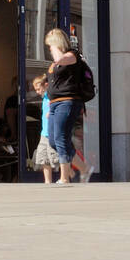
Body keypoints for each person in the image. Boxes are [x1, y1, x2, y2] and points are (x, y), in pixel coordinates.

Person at [45, 28, 87, 186]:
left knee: (62, 138)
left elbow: (61, 59)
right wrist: (50, 106)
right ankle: (83, 168)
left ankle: (64, 177)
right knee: (53, 141)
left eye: (50, 45)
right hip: (55, 104)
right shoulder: (55, 63)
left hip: (68, 101)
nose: (49, 49)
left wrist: (56, 48)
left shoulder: (71, 55)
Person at [31, 73, 59, 183]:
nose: (37, 92)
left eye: (38, 89)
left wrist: (52, 112)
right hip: (44, 133)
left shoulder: (52, 96)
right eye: (35, 90)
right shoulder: (45, 98)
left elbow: (58, 107)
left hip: (52, 132)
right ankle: (48, 182)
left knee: (54, 158)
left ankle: (69, 175)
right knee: (43, 158)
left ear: (46, 85)